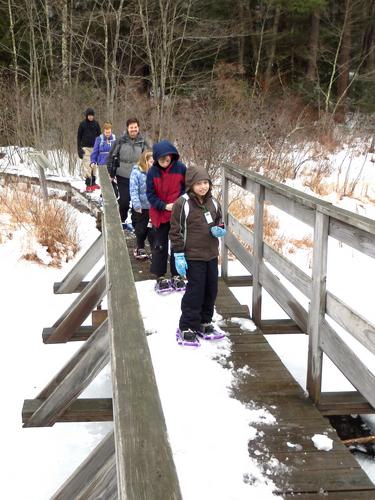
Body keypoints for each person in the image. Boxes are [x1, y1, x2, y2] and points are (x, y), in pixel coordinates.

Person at [169, 165, 226, 346]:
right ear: (190, 185)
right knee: (195, 291)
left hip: (210, 254)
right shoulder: (182, 203)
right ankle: (187, 325)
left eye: (205, 183)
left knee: (211, 289)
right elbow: (175, 231)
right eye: (198, 183)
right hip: (192, 256)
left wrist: (220, 230)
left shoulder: (214, 202)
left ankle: (204, 321)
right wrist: (178, 254)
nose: (203, 187)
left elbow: (220, 221)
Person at [146, 140, 186, 292]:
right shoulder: (152, 171)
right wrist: (163, 205)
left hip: (177, 213)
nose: (165, 161)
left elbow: (186, 187)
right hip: (159, 213)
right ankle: (160, 276)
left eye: (167, 158)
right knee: (159, 245)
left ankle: (177, 275)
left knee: (177, 245)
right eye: (161, 159)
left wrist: (178, 202)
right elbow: (150, 194)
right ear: (156, 159)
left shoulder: (181, 168)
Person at [107, 117, 151, 230]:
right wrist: (110, 172)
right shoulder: (120, 141)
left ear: (138, 128)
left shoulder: (143, 142)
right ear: (127, 128)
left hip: (138, 176)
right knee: (125, 201)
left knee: (138, 200)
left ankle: (135, 223)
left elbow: (149, 158)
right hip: (123, 175)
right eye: (131, 127)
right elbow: (111, 156)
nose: (133, 130)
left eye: (135, 127)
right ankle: (121, 220)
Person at [129, 150, 154, 259]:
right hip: (141, 207)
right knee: (141, 229)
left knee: (153, 230)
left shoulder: (155, 172)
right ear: (145, 161)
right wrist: (137, 205)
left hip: (153, 206)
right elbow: (133, 189)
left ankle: (155, 250)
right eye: (151, 161)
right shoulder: (137, 172)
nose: (153, 164)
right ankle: (140, 247)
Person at [77, 108, 101, 192]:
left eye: (92, 115)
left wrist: (99, 148)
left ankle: (93, 183)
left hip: (94, 148)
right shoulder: (82, 124)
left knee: (94, 166)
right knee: (87, 165)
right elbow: (79, 137)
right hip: (85, 148)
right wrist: (79, 149)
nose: (91, 117)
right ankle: (88, 184)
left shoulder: (96, 124)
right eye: (89, 115)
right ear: (87, 116)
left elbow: (99, 137)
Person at [90, 122, 116, 192]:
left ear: (111, 130)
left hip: (112, 164)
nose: (108, 134)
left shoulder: (114, 138)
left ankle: (113, 197)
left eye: (109, 132)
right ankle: (104, 198)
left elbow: (117, 151)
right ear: (104, 131)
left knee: (111, 182)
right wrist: (93, 161)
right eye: (106, 132)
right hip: (102, 164)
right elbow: (95, 151)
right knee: (104, 182)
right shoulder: (99, 139)